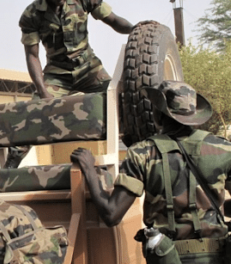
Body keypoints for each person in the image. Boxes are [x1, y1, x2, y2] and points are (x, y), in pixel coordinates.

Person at [71, 80, 231, 263]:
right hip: (218, 256)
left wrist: (90, 170)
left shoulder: (143, 153)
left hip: (167, 256)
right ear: (194, 115)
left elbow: (111, 214)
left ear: (158, 114)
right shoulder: (224, 149)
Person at [4, 0, 135, 168]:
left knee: (120, 102)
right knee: (33, 111)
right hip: (57, 74)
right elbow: (32, 55)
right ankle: (9, 167)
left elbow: (113, 20)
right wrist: (43, 91)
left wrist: (135, 29)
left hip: (89, 69)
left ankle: (139, 155)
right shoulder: (32, 14)